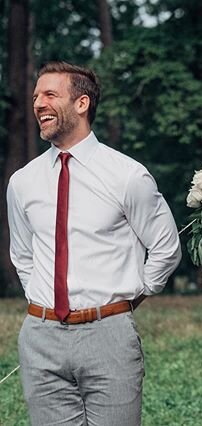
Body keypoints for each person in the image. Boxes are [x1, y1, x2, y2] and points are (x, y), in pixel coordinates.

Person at [6, 62, 181, 425]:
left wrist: (131, 298)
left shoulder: (128, 176)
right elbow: (23, 254)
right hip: (40, 336)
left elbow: (165, 247)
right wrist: (45, 305)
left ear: (82, 103)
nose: (38, 103)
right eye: (36, 96)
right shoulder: (23, 182)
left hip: (109, 335)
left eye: (50, 94)